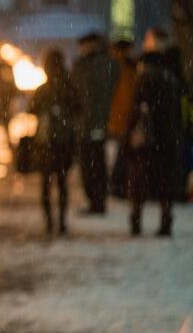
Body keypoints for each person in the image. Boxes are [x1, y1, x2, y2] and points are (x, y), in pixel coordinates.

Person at [125, 28, 184, 236]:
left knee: (139, 180)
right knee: (164, 179)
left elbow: (136, 107)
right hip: (167, 135)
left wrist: (129, 134)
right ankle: (166, 220)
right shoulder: (173, 74)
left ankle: (136, 220)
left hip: (147, 137)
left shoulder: (145, 76)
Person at [28, 49, 79, 235]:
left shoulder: (43, 89)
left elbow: (31, 110)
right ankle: (62, 222)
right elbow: (78, 109)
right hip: (65, 142)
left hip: (46, 142)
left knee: (46, 183)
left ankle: (49, 222)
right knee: (63, 183)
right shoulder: (69, 86)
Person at [72, 32, 119, 214]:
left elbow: (88, 96)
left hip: (92, 123)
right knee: (94, 163)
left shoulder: (90, 67)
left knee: (92, 164)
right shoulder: (106, 64)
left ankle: (96, 201)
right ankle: (97, 201)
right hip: (95, 122)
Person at [107, 40, 138, 198]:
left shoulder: (115, 67)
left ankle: (117, 186)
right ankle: (118, 186)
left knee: (122, 153)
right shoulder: (125, 69)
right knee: (123, 154)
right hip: (122, 119)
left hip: (119, 118)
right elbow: (126, 99)